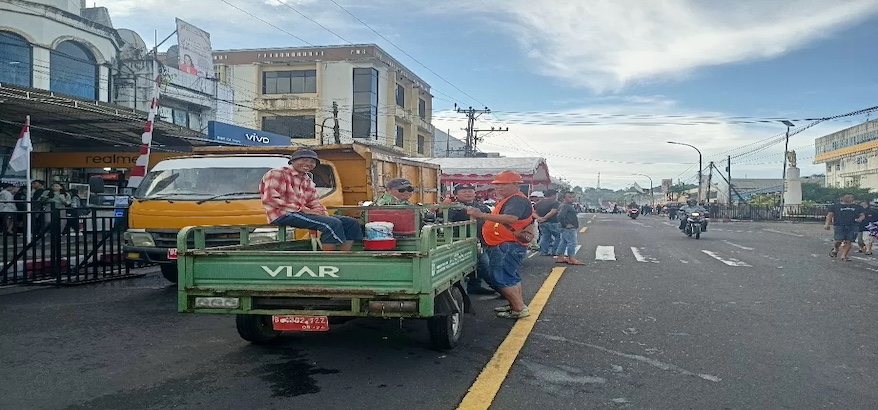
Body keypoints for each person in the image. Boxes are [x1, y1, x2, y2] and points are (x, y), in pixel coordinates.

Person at [260, 149, 363, 251]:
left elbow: (313, 201)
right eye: (304, 160)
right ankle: (329, 259)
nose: (308, 164)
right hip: (282, 214)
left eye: (312, 162)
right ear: (293, 161)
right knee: (332, 223)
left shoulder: (307, 180)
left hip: (302, 213)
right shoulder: (277, 173)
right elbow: (270, 199)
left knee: (351, 222)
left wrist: (321, 213)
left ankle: (344, 255)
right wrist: (302, 209)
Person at [466, 170, 534, 319]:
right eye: (497, 185)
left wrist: (481, 215)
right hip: (506, 244)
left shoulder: (516, 200)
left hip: (507, 245)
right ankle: (515, 305)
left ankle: (518, 308)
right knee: (510, 276)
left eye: (503, 184)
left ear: (516, 185)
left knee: (502, 278)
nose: (499, 188)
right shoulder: (511, 199)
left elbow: (510, 218)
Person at [446, 183, 497, 295]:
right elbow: (445, 220)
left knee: (481, 266)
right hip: (461, 242)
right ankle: (503, 290)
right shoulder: (452, 207)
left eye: (470, 191)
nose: (468, 193)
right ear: (456, 194)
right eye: (464, 191)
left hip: (482, 240)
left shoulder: (482, 206)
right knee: (485, 266)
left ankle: (475, 286)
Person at [826, 193, 865, 261]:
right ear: (842, 198)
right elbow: (830, 215)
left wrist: (860, 219)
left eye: (852, 197)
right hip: (839, 225)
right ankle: (836, 249)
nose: (850, 198)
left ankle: (844, 255)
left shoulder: (857, 207)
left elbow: (862, 215)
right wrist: (827, 224)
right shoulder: (835, 206)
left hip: (853, 225)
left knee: (849, 241)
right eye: (848, 197)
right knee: (838, 240)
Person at [555, 191, 585, 265]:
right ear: (564, 198)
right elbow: (560, 216)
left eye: (573, 197)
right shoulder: (566, 206)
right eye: (569, 197)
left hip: (565, 227)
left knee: (564, 242)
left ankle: (560, 257)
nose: (572, 199)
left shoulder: (565, 205)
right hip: (569, 228)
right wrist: (565, 224)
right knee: (572, 243)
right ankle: (572, 258)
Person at [534, 189, 561, 256]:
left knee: (545, 237)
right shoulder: (555, 203)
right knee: (558, 236)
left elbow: (533, 212)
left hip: (542, 223)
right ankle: (555, 251)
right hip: (553, 222)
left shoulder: (538, 203)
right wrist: (545, 218)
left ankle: (543, 251)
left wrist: (539, 218)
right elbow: (553, 211)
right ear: (553, 195)